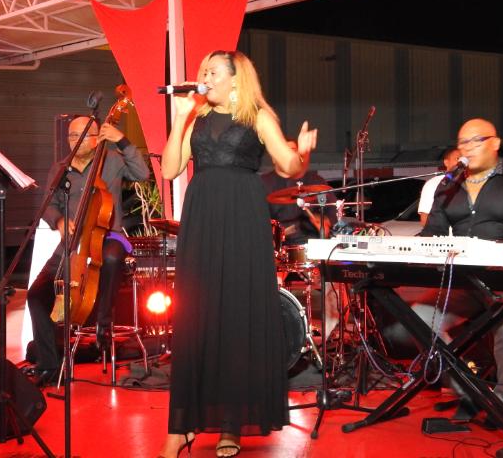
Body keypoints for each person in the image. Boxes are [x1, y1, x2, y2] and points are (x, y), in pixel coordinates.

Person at [158, 50, 318, 458]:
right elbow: (170, 170)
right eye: (203, 71)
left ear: (235, 78)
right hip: (202, 218)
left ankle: (231, 424)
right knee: (196, 314)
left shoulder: (257, 117)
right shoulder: (195, 118)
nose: (204, 77)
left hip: (243, 218)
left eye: (212, 71)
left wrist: (302, 152)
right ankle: (182, 426)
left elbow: (289, 168)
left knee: (236, 315)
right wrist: (178, 121)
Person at [417, 118, 503, 410]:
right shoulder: (448, 186)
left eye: (475, 140)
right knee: (420, 318)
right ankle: (467, 390)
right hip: (466, 282)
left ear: (495, 143)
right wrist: (390, 245)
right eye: (462, 142)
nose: (467, 148)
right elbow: (432, 234)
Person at [24, 115, 149, 387]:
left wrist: (122, 141)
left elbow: (142, 174)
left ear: (96, 138)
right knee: (36, 296)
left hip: (109, 234)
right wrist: (59, 220)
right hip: (72, 245)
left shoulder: (112, 160)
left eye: (83, 135)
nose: (76, 141)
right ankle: (50, 367)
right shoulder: (60, 168)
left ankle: (104, 319)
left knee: (112, 255)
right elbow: (48, 205)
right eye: (72, 136)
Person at [261, 139, 336, 244]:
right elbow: (255, 220)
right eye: (283, 152)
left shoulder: (316, 181)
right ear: (274, 158)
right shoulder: (262, 183)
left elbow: (333, 211)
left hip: (313, 244)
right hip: (279, 246)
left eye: (292, 151)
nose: (288, 156)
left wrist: (326, 221)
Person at [417, 147, 461, 226]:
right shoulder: (433, 184)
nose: (462, 162)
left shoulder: (475, 182)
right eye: (458, 158)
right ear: (446, 162)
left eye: (466, 159)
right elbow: (425, 219)